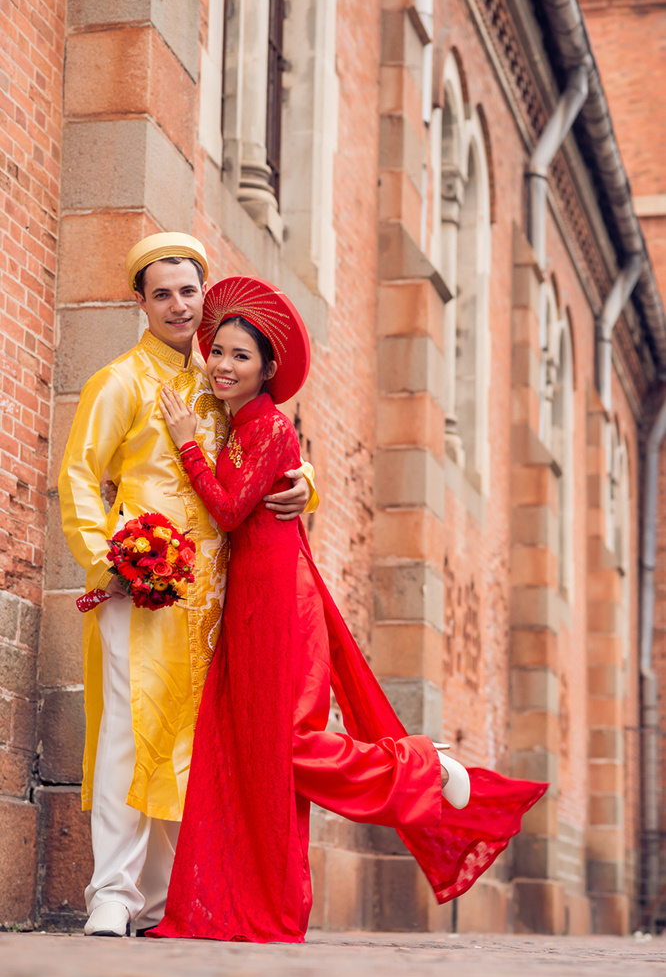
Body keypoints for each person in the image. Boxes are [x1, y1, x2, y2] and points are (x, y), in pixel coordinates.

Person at [148, 275, 547, 943]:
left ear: (267, 369)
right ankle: (242, 897)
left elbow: (225, 508)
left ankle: (418, 765)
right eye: (217, 351)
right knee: (243, 746)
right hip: (250, 597)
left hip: (278, 600)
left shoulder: (268, 425)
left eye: (241, 357)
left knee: (283, 746)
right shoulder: (237, 419)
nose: (223, 365)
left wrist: (189, 443)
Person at [58, 235, 317, 938]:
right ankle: (111, 890)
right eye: (162, 292)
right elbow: (80, 474)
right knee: (126, 731)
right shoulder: (120, 381)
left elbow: (270, 448)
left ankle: (167, 893)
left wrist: (305, 487)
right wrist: (103, 558)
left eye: (188, 291)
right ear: (139, 301)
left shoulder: (220, 382)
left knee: (194, 744)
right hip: (140, 587)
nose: (178, 305)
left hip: (217, 596)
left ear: (206, 299)